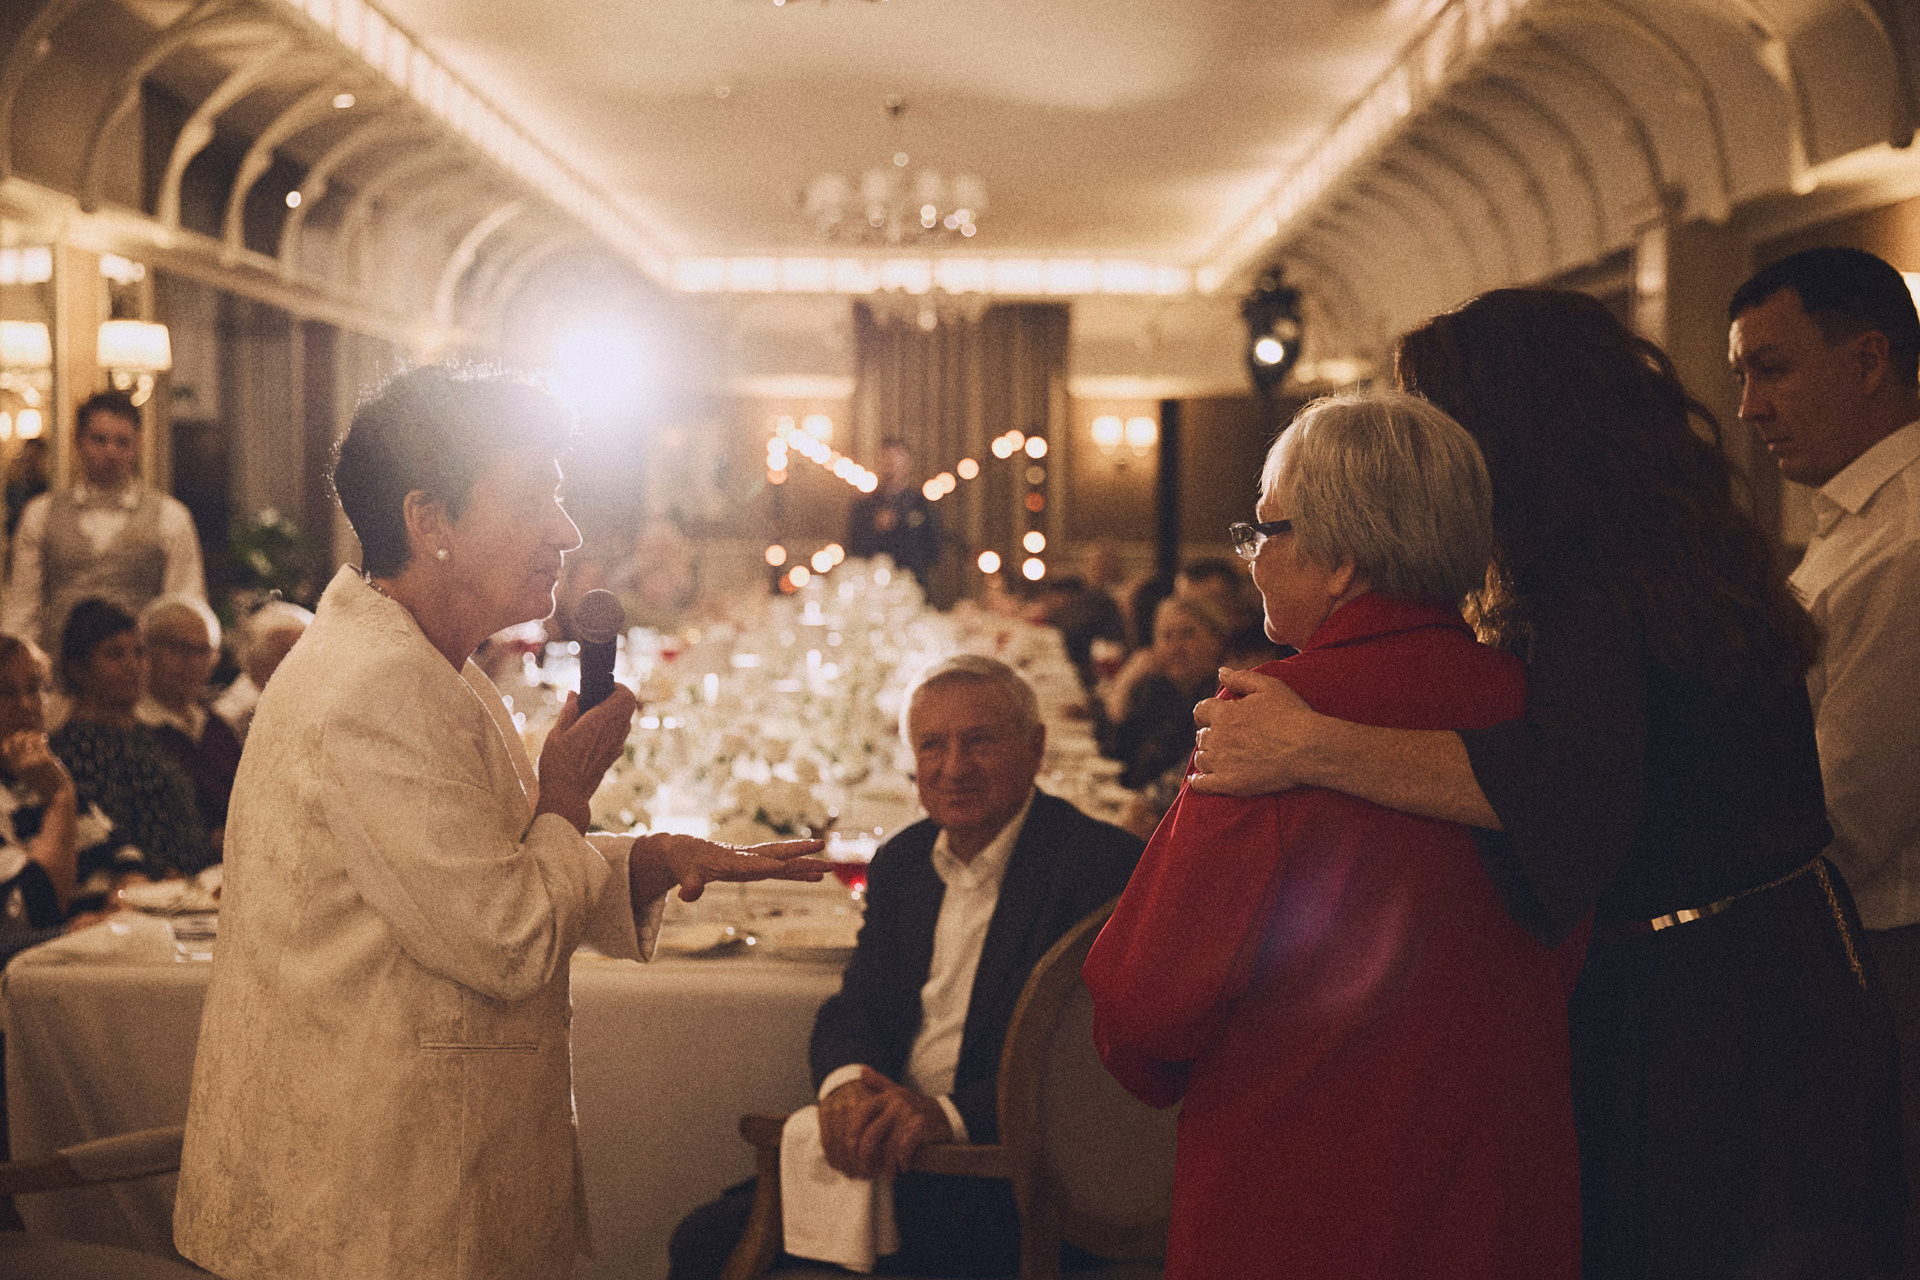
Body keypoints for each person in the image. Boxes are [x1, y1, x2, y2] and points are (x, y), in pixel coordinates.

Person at [1189, 289, 1903, 1278]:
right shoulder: (1663, 540)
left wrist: (1311, 744)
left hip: (1710, 1003)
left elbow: (1561, 786)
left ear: (1502, 429)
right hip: (1775, 960)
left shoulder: (1592, 579)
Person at [173, 368, 829, 1280]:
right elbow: (506, 936)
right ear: (429, 521)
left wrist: (645, 861)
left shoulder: (423, 662)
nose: (566, 531)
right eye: (532, 499)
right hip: (372, 1201)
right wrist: (566, 793)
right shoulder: (377, 686)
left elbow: (482, 869)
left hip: (405, 1167)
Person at [1085, 391, 1579, 1279]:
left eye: (1266, 530)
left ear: (1343, 560)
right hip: (1500, 1185)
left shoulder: (1271, 720)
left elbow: (1143, 1006)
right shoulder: (1537, 713)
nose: (1252, 559)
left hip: (1304, 1189)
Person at [668, 655, 1143, 1280]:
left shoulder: (1099, 869)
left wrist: (950, 1116)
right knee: (700, 1241)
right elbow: (857, 1006)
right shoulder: (905, 860)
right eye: (932, 745)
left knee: (721, 1251)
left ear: (1035, 748)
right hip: (897, 1154)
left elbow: (1097, 1068)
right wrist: (846, 1086)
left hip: (1010, 1178)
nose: (954, 767)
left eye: (979, 741)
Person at [1730, 245, 1920, 1274]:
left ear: (1870, 360)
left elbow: (1848, 814)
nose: (1751, 406)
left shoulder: (1907, 542)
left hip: (1887, 954)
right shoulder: (1853, 525)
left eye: (1773, 368)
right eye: (1743, 376)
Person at [0, 391, 205, 653]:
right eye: (99, 440)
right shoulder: (41, 513)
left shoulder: (171, 516)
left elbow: (184, 606)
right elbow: (22, 607)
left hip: (140, 667)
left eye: (122, 442)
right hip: (61, 667)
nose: (111, 452)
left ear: (137, 445)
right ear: (78, 442)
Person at [50, 597, 211, 879]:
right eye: (115, 655)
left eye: (139, 652)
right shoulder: (76, 747)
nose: (132, 665)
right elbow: (108, 833)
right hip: (141, 888)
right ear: (78, 669)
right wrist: (161, 872)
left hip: (195, 881)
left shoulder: (142, 733)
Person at [0, 635, 79, 965]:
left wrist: (123, 892)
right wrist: (60, 798)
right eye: (5, 693)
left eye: (34, 688)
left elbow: (120, 857)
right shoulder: (51, 779)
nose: (26, 705)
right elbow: (36, 910)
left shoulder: (39, 770)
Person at [136, 595, 242, 842]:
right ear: (147, 650)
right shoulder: (135, 728)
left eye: (203, 651)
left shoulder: (217, 727)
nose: (193, 662)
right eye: (178, 648)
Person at [1101, 594, 1231, 790]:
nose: (1176, 647)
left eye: (1188, 634)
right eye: (1167, 636)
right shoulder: (1154, 688)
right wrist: (1126, 683)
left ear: (1216, 641)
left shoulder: (1221, 698)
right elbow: (1113, 754)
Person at [210, 600, 312, 744]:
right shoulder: (230, 717)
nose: (298, 663)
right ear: (255, 658)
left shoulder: (307, 704)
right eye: (285, 653)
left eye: (304, 653)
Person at [846, 437, 940, 585]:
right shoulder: (863, 506)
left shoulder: (921, 504)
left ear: (908, 463)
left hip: (910, 583)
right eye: (886, 460)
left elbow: (933, 551)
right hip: (871, 586)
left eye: (896, 460)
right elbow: (854, 549)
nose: (890, 466)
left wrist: (901, 526)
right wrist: (875, 528)